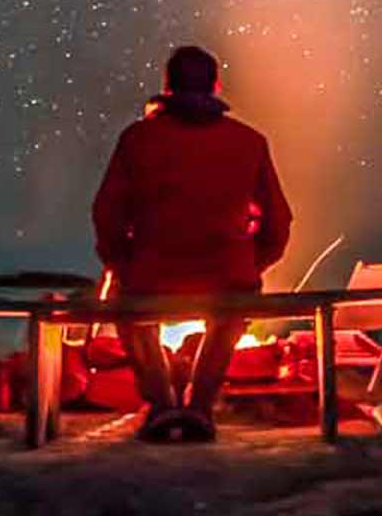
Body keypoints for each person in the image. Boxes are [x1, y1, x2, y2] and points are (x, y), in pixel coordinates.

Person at [91, 45, 293, 441]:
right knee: (234, 309)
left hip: (150, 276)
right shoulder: (249, 141)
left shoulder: (137, 139)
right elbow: (279, 219)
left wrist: (119, 262)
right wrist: (254, 264)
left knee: (125, 303)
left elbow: (106, 212)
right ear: (216, 86)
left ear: (166, 87)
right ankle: (200, 405)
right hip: (227, 277)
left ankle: (161, 404)